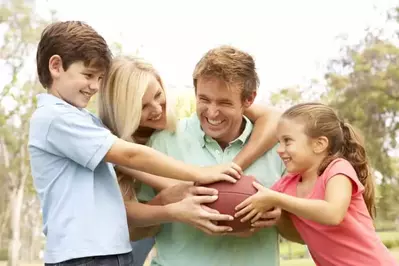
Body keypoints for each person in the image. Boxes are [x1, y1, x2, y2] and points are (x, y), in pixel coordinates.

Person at [28, 21, 242, 266]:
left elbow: (134, 168)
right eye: (88, 75)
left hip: (110, 253)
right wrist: (200, 174)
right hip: (83, 256)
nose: (95, 86)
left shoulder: (85, 120)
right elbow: (131, 157)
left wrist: (187, 193)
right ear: (55, 66)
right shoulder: (54, 118)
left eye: (99, 78)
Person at [98, 55, 283, 265]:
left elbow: (275, 118)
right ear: (125, 112)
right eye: (141, 107)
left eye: (158, 95)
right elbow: (133, 222)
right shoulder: (114, 148)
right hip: (116, 240)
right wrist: (173, 206)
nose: (157, 109)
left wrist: (231, 172)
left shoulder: (177, 124)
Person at [235, 103, 399, 266]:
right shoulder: (285, 186)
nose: (279, 149)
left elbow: (333, 214)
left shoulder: (337, 170)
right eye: (279, 142)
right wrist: (275, 218)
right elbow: (299, 237)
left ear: (319, 144)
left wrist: (277, 200)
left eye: (287, 141)